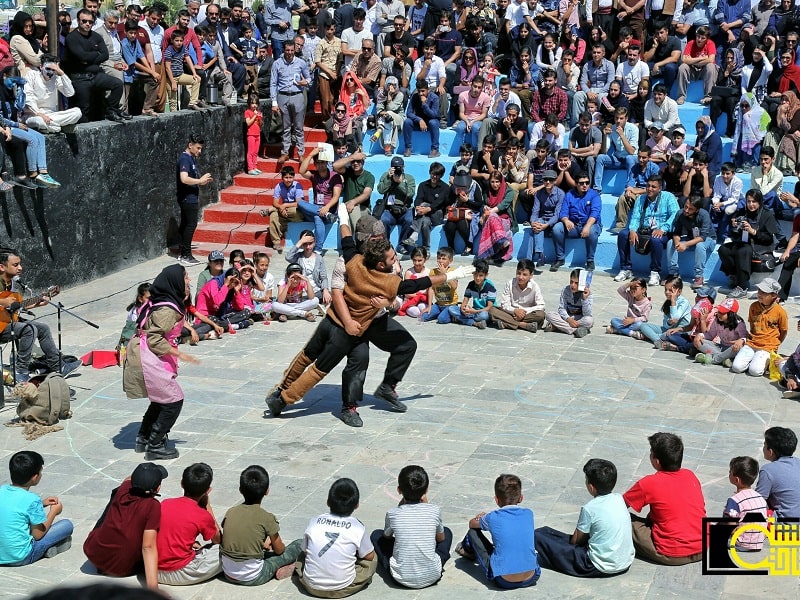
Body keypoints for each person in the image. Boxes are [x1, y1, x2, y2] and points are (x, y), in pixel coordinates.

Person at [264, 207, 475, 420]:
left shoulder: (353, 260)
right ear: (374, 251)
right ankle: (290, 398)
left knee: (402, 345)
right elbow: (415, 284)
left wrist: (344, 217)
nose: (395, 259)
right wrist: (450, 275)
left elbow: (346, 238)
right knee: (326, 366)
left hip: (366, 320)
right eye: (377, 238)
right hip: (347, 325)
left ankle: (383, 389)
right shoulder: (384, 278)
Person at [123, 264, 199, 460]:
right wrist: (179, 354)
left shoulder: (162, 301)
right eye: (186, 278)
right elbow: (154, 339)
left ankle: (144, 437)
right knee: (174, 399)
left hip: (148, 355)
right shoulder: (166, 309)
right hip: (149, 357)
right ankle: (155, 444)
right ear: (174, 282)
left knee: (160, 400)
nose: (189, 281)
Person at [535, 458, 634, 577]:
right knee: (546, 532)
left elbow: (576, 541)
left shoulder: (590, 508)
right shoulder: (619, 499)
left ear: (591, 487)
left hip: (596, 566)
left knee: (538, 535)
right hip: (624, 562)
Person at [623, 432, 706, 565]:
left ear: (656, 461)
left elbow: (620, 505)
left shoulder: (649, 483)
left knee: (621, 518)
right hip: (704, 546)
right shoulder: (690, 476)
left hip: (673, 552)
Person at [83, 462, 165, 590]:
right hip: (121, 568)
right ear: (158, 488)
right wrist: (153, 591)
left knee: (113, 503)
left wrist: (139, 476)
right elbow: (148, 547)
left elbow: (128, 479)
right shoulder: (153, 506)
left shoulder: (123, 489)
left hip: (95, 555)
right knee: (154, 534)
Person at [370, 465, 452, 588]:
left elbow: (386, 537)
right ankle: (430, 563)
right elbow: (440, 539)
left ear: (399, 490)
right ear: (426, 490)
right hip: (433, 576)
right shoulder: (434, 510)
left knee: (376, 535)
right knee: (446, 532)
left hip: (400, 578)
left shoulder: (393, 514)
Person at [220, 465, 302, 585]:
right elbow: (279, 550)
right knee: (298, 545)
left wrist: (261, 543)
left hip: (227, 573)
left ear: (240, 490)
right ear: (267, 490)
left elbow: (238, 535)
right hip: (254, 576)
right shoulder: (266, 518)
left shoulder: (230, 512)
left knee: (261, 553)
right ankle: (288, 567)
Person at [456, 473, 540, 589]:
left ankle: (467, 550)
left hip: (504, 580)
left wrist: (480, 518)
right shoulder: (528, 514)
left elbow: (472, 524)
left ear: (496, 499)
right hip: (532, 576)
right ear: (521, 498)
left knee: (472, 533)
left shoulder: (493, 517)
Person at [299, 478, 377, 597]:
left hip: (310, 585)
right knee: (372, 558)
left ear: (328, 502)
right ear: (357, 505)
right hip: (342, 588)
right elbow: (369, 556)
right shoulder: (357, 527)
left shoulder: (314, 522)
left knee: (301, 550)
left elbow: (305, 552)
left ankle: (297, 570)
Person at [0, 451, 73, 567]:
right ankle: (44, 551)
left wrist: (42, 503)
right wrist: (53, 512)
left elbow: (15, 508)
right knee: (66, 525)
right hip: (19, 557)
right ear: (35, 477)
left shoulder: (2, 490)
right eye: (40, 472)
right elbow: (38, 535)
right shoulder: (32, 499)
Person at [156, 463, 221, 585]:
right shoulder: (202, 515)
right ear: (208, 491)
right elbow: (217, 540)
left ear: (182, 483)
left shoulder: (165, 503)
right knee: (226, 551)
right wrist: (208, 506)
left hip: (152, 569)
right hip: (180, 572)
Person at [614, 174, 680, 287]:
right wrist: (633, 230)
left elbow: (675, 215)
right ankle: (625, 269)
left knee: (656, 239)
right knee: (623, 234)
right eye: (648, 186)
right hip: (644, 230)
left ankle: (655, 272)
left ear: (660, 188)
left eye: (653, 187)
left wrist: (663, 229)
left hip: (662, 232)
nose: (649, 189)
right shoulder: (641, 199)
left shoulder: (669, 197)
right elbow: (635, 217)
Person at [62, 9, 127, 122]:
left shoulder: (96, 36)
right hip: (80, 77)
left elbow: (105, 55)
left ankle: (111, 110)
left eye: (90, 22)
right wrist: (95, 55)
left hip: (96, 75)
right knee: (84, 107)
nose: (87, 24)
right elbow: (81, 56)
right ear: (78, 21)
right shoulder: (72, 38)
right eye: (84, 21)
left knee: (117, 84)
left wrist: (88, 58)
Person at [718, 189, 780, 299]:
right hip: (743, 243)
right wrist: (734, 226)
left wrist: (753, 232)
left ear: (760, 202)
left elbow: (769, 239)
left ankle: (742, 287)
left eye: (754, 202)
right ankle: (735, 275)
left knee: (743, 250)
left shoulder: (767, 215)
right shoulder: (742, 212)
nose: (751, 205)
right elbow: (735, 235)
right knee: (723, 249)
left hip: (760, 247)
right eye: (748, 201)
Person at [731, 278, 788, 375]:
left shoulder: (780, 312)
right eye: (759, 291)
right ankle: (754, 359)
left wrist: (775, 344)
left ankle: (766, 360)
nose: (760, 294)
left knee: (755, 371)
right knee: (736, 367)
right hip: (752, 343)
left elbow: (784, 331)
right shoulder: (753, 306)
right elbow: (752, 325)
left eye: (764, 292)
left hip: (768, 346)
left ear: (774, 295)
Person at [550, 172, 602, 272]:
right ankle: (560, 258)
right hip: (574, 225)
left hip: (591, 224)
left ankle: (590, 260)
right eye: (581, 183)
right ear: (576, 184)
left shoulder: (594, 195)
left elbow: (595, 213)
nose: (585, 185)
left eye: (587, 182)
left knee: (591, 231)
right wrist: (566, 220)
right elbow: (563, 212)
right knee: (557, 228)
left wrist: (587, 226)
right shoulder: (569, 195)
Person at [175, 134, 212, 266]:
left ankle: (182, 251)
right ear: (190, 145)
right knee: (190, 225)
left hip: (190, 197)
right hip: (187, 198)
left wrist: (200, 181)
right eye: (198, 148)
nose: (199, 151)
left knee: (186, 224)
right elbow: (184, 179)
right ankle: (186, 254)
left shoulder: (190, 158)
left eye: (201, 148)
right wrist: (199, 181)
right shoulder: (185, 159)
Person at [271, 40, 309, 163]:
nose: (290, 53)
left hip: (297, 95)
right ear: (284, 50)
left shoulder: (301, 63)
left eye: (292, 50)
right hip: (282, 96)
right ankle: (285, 152)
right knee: (285, 127)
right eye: (287, 50)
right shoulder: (277, 64)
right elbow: (273, 83)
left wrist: (306, 82)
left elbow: (309, 78)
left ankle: (301, 153)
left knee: (298, 127)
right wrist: (274, 102)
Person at [21, 55, 82, 133]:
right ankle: (59, 127)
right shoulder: (32, 75)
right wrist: (40, 114)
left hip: (52, 116)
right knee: (39, 121)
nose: (50, 72)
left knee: (77, 112)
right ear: (41, 67)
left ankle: (51, 127)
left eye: (53, 69)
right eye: (48, 69)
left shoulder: (56, 78)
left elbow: (70, 93)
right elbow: (28, 98)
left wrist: (62, 73)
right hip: (34, 115)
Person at [666, 195, 716, 289]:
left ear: (697, 210)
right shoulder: (680, 214)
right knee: (670, 243)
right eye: (685, 206)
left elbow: (703, 237)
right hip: (691, 238)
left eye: (690, 209)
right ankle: (673, 274)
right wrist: (677, 244)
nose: (686, 210)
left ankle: (698, 276)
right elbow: (676, 233)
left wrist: (685, 244)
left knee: (700, 246)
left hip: (708, 239)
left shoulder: (704, 215)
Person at [724, 456, 768, 551]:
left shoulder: (734, 500)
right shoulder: (759, 497)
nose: (729, 473)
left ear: (736, 480)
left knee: (727, 515)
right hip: (759, 542)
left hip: (742, 543)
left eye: (730, 472)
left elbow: (731, 524)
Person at [755, 427, 800, 519]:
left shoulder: (768, 470)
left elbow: (757, 501)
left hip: (787, 527)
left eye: (764, 445)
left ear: (770, 452)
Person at [488, 259, 545, 332]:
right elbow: (504, 304)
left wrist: (523, 312)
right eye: (519, 273)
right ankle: (523, 325)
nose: (520, 277)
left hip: (527, 314)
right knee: (492, 310)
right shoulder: (510, 284)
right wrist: (515, 310)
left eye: (524, 274)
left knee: (540, 315)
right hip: (511, 313)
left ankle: (507, 324)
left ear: (531, 275)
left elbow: (541, 306)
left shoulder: (534, 286)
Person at [404, 161, 449, 254]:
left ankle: (414, 234)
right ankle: (426, 248)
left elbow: (439, 203)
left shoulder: (445, 187)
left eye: (437, 175)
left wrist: (426, 209)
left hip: (437, 214)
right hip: (425, 215)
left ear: (441, 176)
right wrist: (417, 207)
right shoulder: (423, 185)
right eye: (433, 174)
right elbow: (418, 198)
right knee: (425, 222)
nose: (434, 177)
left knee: (424, 204)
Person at [593, 106, 638, 192]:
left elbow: (632, 151)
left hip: (631, 158)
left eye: (621, 118)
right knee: (600, 157)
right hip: (618, 158)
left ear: (626, 118)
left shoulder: (634, 129)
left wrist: (622, 135)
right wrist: (605, 136)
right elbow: (604, 151)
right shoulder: (612, 128)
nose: (618, 121)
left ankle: (630, 187)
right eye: (616, 118)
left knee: (629, 158)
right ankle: (597, 188)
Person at [376, 156, 416, 253]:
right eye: (394, 167)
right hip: (390, 209)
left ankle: (402, 245)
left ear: (403, 167)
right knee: (384, 220)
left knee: (410, 220)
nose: (397, 169)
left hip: (404, 209)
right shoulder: (386, 176)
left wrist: (400, 183)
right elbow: (380, 190)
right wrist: (389, 179)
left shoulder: (409, 178)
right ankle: (386, 245)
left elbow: (410, 194)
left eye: (399, 167)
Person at [694, 298, 748, 366]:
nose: (719, 314)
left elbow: (746, 337)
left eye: (722, 313)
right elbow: (710, 335)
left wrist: (741, 340)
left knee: (737, 348)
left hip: (732, 349)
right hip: (720, 347)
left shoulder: (739, 324)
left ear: (731, 314)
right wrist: (701, 335)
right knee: (698, 341)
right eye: (719, 311)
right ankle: (723, 359)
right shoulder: (717, 319)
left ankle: (713, 360)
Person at [285, 230, 331, 306]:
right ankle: (306, 306)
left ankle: (307, 305)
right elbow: (288, 257)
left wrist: (325, 290)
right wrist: (300, 242)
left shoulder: (319, 258)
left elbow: (324, 277)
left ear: (314, 242)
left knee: (333, 296)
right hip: (301, 293)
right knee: (287, 298)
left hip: (316, 291)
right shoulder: (298, 257)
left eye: (310, 243)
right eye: (305, 244)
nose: (308, 247)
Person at [448, 259, 496, 329]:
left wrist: (474, 311)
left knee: (484, 315)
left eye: (480, 275)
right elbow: (465, 300)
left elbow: (489, 307)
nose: (477, 278)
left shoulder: (490, 286)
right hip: (473, 311)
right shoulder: (471, 285)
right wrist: (463, 310)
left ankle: (466, 320)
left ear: (486, 275)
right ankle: (475, 323)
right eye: (475, 275)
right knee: (451, 308)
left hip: (485, 311)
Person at [544, 269, 593, 337]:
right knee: (549, 315)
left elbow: (587, 314)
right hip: (566, 317)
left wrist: (584, 299)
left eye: (576, 283)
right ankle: (574, 330)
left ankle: (558, 327)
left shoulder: (587, 293)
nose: (573, 285)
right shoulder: (566, 290)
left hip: (579, 319)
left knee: (589, 321)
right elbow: (561, 308)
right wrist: (568, 319)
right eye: (571, 281)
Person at [675, 25, 717, 105]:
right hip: (693, 70)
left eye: (702, 38)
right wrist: (702, 58)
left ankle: (708, 96)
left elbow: (711, 60)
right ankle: (681, 96)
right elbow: (684, 60)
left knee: (711, 66)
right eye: (698, 37)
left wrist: (691, 60)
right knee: (682, 67)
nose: (699, 40)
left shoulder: (710, 44)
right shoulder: (691, 43)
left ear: (707, 39)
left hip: (704, 71)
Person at [269, 165, 306, 254]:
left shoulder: (297, 186)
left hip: (296, 212)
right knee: (273, 215)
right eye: (286, 177)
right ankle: (276, 242)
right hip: (284, 211)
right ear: (282, 177)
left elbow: (299, 203)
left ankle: (271, 210)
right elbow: (275, 202)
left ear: (293, 177)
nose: (288, 180)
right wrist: (281, 207)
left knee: (291, 210)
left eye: (290, 177)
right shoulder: (279, 186)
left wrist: (284, 205)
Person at [402, 79, 440, 158]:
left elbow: (434, 115)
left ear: (428, 90)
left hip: (431, 122)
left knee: (433, 122)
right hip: (419, 121)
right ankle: (408, 148)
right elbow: (408, 113)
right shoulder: (415, 97)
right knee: (407, 122)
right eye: (419, 91)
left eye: (423, 91)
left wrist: (424, 104)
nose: (420, 94)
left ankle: (435, 149)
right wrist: (419, 120)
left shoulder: (434, 98)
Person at [244, 94, 263, 175]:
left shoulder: (258, 112)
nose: (254, 105)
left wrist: (260, 118)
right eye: (252, 103)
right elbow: (248, 123)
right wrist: (255, 116)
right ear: (249, 104)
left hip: (257, 134)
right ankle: (250, 168)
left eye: (256, 103)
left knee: (255, 152)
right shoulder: (247, 112)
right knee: (250, 152)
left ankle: (255, 167)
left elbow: (260, 124)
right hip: (251, 134)